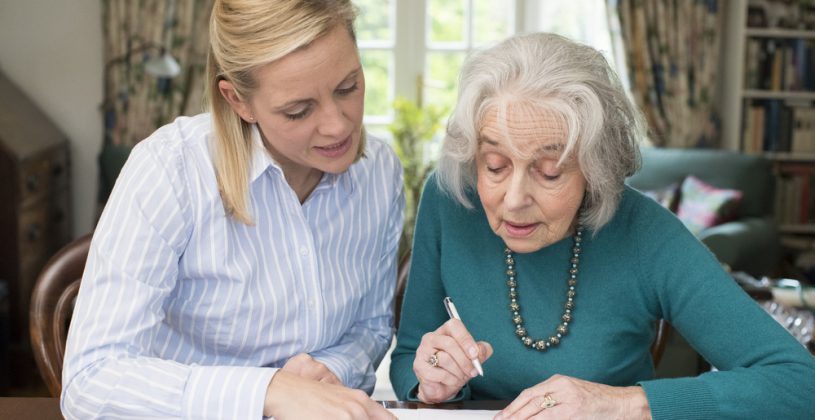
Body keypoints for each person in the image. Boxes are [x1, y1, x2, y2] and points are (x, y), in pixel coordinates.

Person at [390, 32, 815, 419]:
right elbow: (408, 356)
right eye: (495, 165)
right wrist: (432, 382)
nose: (514, 199)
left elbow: (800, 384)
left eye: (550, 172)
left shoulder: (645, 233)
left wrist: (622, 403)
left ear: (597, 170)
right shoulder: (450, 200)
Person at [62, 1, 403, 418]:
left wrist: (327, 373)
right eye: (298, 110)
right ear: (237, 100)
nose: (337, 125)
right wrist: (268, 390)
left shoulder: (379, 173)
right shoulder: (170, 171)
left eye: (348, 87)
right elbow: (91, 382)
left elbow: (369, 329)